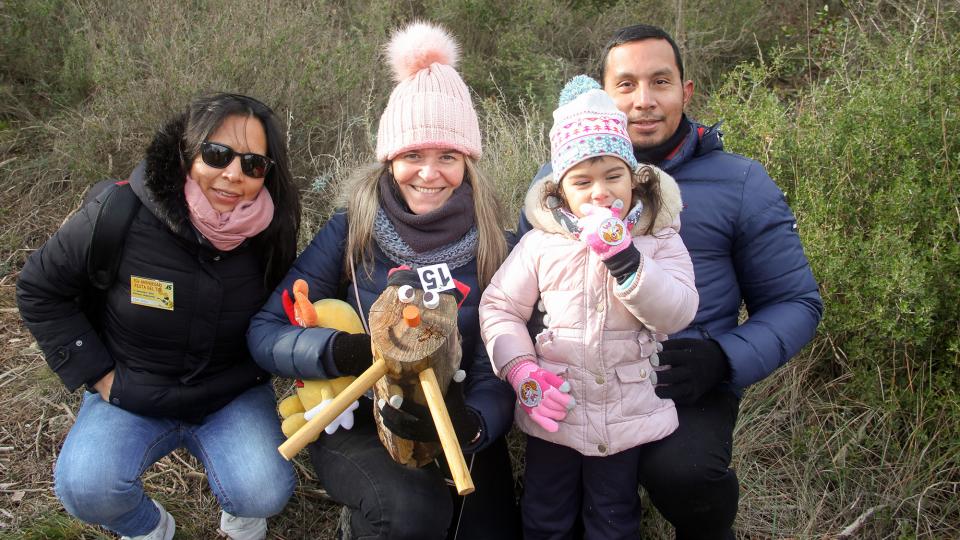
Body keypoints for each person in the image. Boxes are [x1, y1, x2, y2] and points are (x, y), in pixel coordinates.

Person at [519, 24, 824, 539]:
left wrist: (724, 359)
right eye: (626, 85)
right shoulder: (559, 185)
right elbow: (526, 289)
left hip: (685, 376)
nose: (643, 101)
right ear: (604, 96)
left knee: (685, 472)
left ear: (685, 91)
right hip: (583, 374)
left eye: (660, 82)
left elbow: (796, 301)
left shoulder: (739, 182)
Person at [246, 22, 520, 540]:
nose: (429, 173)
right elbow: (265, 330)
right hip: (360, 414)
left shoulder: (497, 245)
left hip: (455, 409)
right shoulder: (351, 230)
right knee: (410, 515)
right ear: (390, 157)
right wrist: (339, 354)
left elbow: (503, 360)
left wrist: (477, 422)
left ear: (469, 161)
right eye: (413, 154)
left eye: (448, 157)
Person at [16, 93, 300, 540]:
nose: (233, 175)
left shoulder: (273, 227)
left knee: (264, 490)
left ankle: (242, 515)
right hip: (134, 388)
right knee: (85, 488)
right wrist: (98, 373)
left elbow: (283, 307)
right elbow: (39, 288)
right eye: (217, 154)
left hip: (232, 394)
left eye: (253, 165)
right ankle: (150, 529)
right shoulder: (120, 211)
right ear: (186, 152)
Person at [480, 75, 699, 539]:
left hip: (626, 412)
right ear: (561, 192)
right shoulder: (541, 244)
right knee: (545, 514)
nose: (600, 192)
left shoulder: (658, 238)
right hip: (554, 412)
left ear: (634, 178)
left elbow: (678, 311)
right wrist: (521, 370)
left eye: (613, 176)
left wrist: (627, 260)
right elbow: (499, 306)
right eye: (583, 182)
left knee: (613, 517)